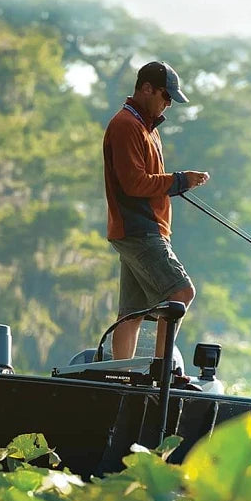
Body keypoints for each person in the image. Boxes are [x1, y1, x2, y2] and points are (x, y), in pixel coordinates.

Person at [103, 60, 210, 361]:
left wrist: (178, 184)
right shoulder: (126, 125)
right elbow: (134, 184)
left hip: (143, 229)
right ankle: (164, 373)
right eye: (165, 96)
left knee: (131, 314)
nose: (168, 105)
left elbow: (146, 182)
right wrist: (179, 181)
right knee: (180, 293)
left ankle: (120, 377)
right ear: (147, 88)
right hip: (140, 229)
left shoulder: (148, 129)